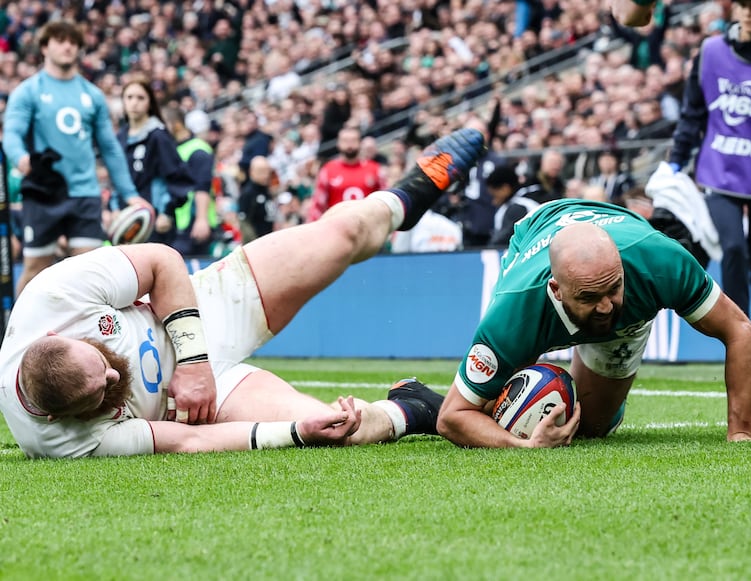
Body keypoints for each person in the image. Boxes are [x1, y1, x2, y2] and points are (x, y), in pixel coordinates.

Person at [0, 126, 487, 459]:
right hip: (199, 410)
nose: (113, 371)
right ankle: (415, 406)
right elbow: (182, 443)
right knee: (338, 430)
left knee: (342, 236)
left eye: (99, 359)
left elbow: (162, 261)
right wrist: (294, 433)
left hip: (199, 310)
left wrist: (192, 363)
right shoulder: (55, 438)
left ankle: (412, 191)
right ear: (63, 415)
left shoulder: (53, 297)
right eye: (104, 390)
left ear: (56, 335)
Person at [436, 198, 751, 449]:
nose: (606, 307)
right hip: (536, 231)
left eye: (614, 289)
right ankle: (414, 405)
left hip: (623, 230)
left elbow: (741, 331)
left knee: (591, 428)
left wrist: (740, 433)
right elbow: (453, 418)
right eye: (589, 297)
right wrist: (523, 445)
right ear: (557, 290)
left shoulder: (661, 263)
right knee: (492, 407)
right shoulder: (516, 308)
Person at [668, 0, 751, 371]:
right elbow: (694, 113)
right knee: (733, 249)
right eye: (741, 5)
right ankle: (740, 340)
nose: (747, 13)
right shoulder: (710, 52)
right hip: (720, 171)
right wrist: (676, 162)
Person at [2, 20, 146, 295]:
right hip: (43, 192)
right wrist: (21, 158)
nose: (68, 46)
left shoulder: (92, 95)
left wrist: (129, 193)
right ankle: (18, 334)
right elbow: (12, 134)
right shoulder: (28, 91)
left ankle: (81, 338)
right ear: (45, 47)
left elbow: (110, 148)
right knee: (35, 269)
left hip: (84, 194)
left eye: (73, 42)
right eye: (60, 40)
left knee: (87, 273)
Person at [116, 77, 196, 244]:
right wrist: (114, 208)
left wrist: (166, 213)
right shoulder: (120, 137)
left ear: (150, 103)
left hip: (154, 222)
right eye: (129, 97)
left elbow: (178, 177)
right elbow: (116, 177)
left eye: (140, 98)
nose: (134, 103)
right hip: (126, 221)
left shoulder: (158, 136)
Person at [162, 105, 217, 257]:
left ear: (177, 125)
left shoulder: (198, 150)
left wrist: (201, 219)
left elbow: (202, 187)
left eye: (164, 124)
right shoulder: (173, 149)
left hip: (194, 224)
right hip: (178, 223)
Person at [306, 126, 386, 222]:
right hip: (336, 228)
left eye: (353, 140)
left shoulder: (375, 169)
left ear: (360, 143)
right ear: (338, 143)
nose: (349, 145)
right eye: (345, 141)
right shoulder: (327, 170)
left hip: (368, 227)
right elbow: (317, 206)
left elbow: (384, 201)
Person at [484, 164, 540, 247]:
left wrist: (488, 248)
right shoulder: (523, 202)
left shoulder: (516, 208)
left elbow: (505, 238)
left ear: (505, 189)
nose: (493, 201)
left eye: (494, 195)